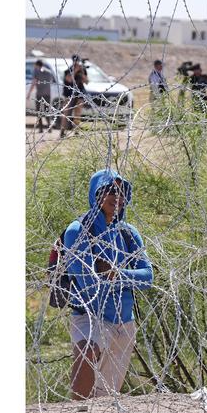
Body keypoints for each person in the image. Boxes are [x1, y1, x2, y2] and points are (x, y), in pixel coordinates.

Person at [63, 169, 154, 399]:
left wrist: (115, 274)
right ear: (96, 194)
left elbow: (148, 277)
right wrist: (122, 278)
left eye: (122, 191)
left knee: (104, 397)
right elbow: (88, 283)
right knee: (87, 353)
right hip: (91, 316)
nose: (117, 197)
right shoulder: (78, 231)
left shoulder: (127, 233)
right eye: (110, 190)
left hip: (125, 324)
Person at [60, 56, 88, 138]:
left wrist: (82, 72)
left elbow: (86, 81)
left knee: (77, 114)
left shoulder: (82, 71)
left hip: (79, 94)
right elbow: (69, 79)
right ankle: (63, 131)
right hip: (69, 94)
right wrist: (75, 70)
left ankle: (76, 131)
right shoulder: (68, 70)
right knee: (66, 113)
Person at [27, 60, 55, 132]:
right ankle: (49, 127)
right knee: (47, 110)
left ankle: (41, 128)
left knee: (38, 111)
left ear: (37, 65)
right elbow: (51, 81)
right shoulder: (49, 72)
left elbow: (34, 82)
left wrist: (29, 93)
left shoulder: (36, 71)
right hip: (48, 94)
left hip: (39, 94)